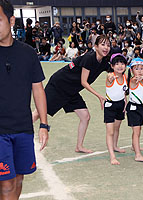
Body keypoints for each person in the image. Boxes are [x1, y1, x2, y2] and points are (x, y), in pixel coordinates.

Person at [0, 1, 49, 199]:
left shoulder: (28, 53)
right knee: (6, 183)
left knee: (18, 180)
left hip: (22, 127)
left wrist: (44, 124)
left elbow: (38, 90)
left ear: (11, 20)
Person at [32, 35, 111, 154]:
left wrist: (112, 75)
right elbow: (83, 82)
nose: (106, 47)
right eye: (103, 44)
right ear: (96, 46)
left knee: (85, 116)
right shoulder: (89, 58)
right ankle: (15, 130)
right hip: (60, 84)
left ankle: (79, 146)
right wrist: (99, 96)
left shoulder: (104, 60)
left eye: (108, 45)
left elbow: (113, 70)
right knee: (39, 112)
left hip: (72, 90)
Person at [104, 53, 128, 165]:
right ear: (112, 66)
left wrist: (125, 103)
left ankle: (115, 146)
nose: (120, 66)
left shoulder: (125, 77)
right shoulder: (110, 76)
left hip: (120, 105)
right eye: (117, 64)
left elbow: (124, 91)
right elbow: (109, 79)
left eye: (122, 63)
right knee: (110, 131)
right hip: (110, 106)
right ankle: (112, 156)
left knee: (117, 128)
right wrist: (110, 77)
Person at [126, 58, 143, 162]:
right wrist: (137, 79)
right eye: (136, 69)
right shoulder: (133, 80)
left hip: (139, 107)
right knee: (136, 131)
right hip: (133, 108)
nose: (140, 71)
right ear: (131, 70)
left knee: (138, 129)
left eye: (141, 68)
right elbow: (134, 81)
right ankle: (138, 155)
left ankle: (134, 146)